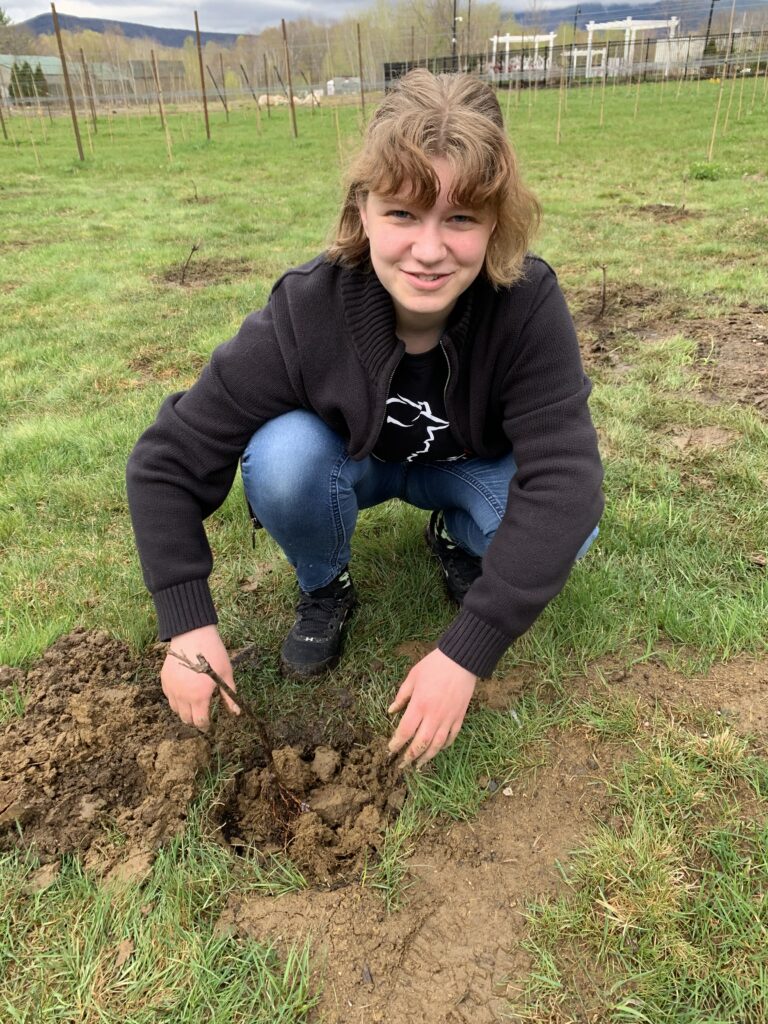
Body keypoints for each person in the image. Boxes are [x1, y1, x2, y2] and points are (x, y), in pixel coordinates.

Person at [127, 69, 603, 768]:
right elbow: (167, 459)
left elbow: (566, 483)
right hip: (355, 463)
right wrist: (186, 622)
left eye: (461, 218)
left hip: (466, 467)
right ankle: (325, 585)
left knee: (573, 528)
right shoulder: (307, 308)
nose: (430, 249)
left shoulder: (526, 305)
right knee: (282, 458)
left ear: (497, 221)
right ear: (363, 210)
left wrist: (466, 653)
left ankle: (464, 545)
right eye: (403, 214)